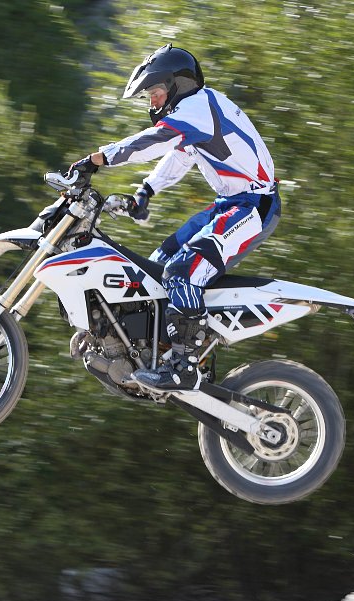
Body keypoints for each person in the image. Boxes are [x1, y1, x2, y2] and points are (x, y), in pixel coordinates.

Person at [69, 44, 280, 391]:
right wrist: (146, 192)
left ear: (176, 85)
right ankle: (153, 349)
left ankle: (186, 365)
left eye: (154, 93)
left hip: (253, 206)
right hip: (229, 203)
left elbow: (156, 141)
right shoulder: (197, 111)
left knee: (182, 272)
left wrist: (97, 159)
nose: (152, 102)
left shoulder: (198, 107)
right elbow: (180, 157)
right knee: (153, 269)